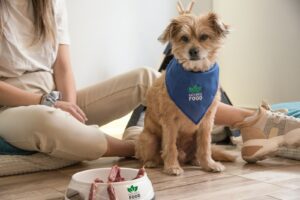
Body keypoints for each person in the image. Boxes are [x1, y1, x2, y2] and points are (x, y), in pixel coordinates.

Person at [0, 0, 298, 163]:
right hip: (13, 107)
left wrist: (70, 107)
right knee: (52, 123)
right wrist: (48, 104)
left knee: (147, 77)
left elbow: (63, 67)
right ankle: (139, 148)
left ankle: (253, 121)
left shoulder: (49, 4)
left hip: (55, 98)